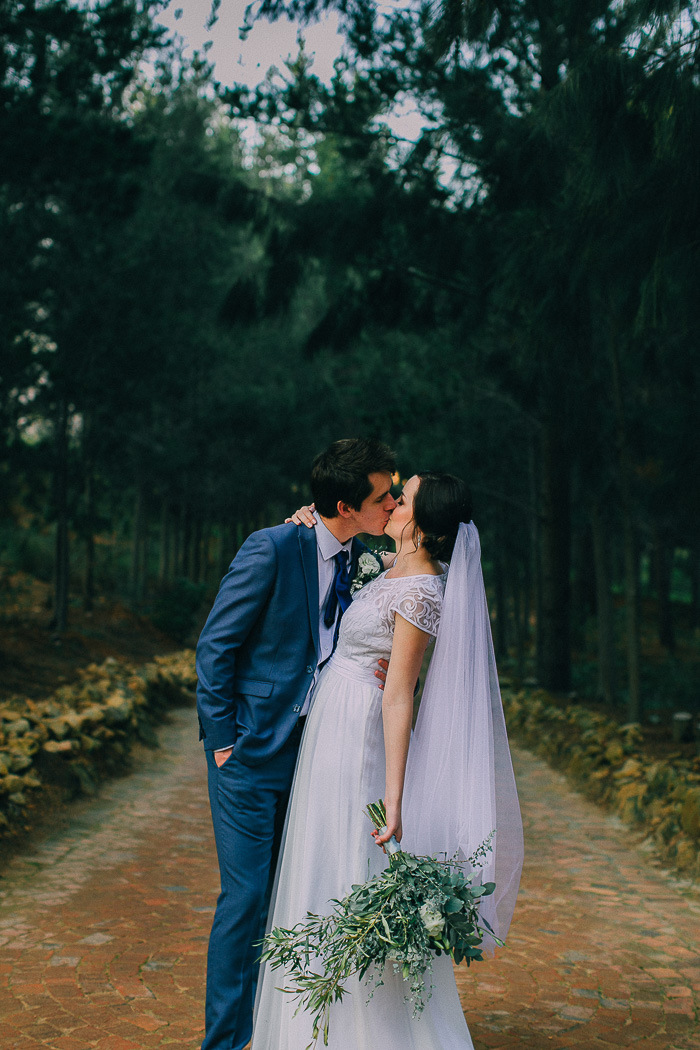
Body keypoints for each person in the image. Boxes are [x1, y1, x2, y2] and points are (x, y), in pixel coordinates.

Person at [252, 472, 524, 1049]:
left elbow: (399, 694)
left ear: (421, 524)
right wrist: (308, 515)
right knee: (323, 851)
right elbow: (336, 538)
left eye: (405, 498)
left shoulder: (421, 589)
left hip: (360, 736)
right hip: (332, 724)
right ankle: (308, 1021)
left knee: (352, 860)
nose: (394, 502)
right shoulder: (390, 564)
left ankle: (362, 1028)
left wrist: (395, 799)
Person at [196, 438, 398, 1050]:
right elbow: (216, 646)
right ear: (346, 505)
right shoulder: (274, 547)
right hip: (251, 753)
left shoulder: (365, 559)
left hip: (316, 757)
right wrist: (223, 740)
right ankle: (225, 1043)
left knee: (292, 896)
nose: (392, 504)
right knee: (247, 897)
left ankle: (275, 1031)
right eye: (382, 497)